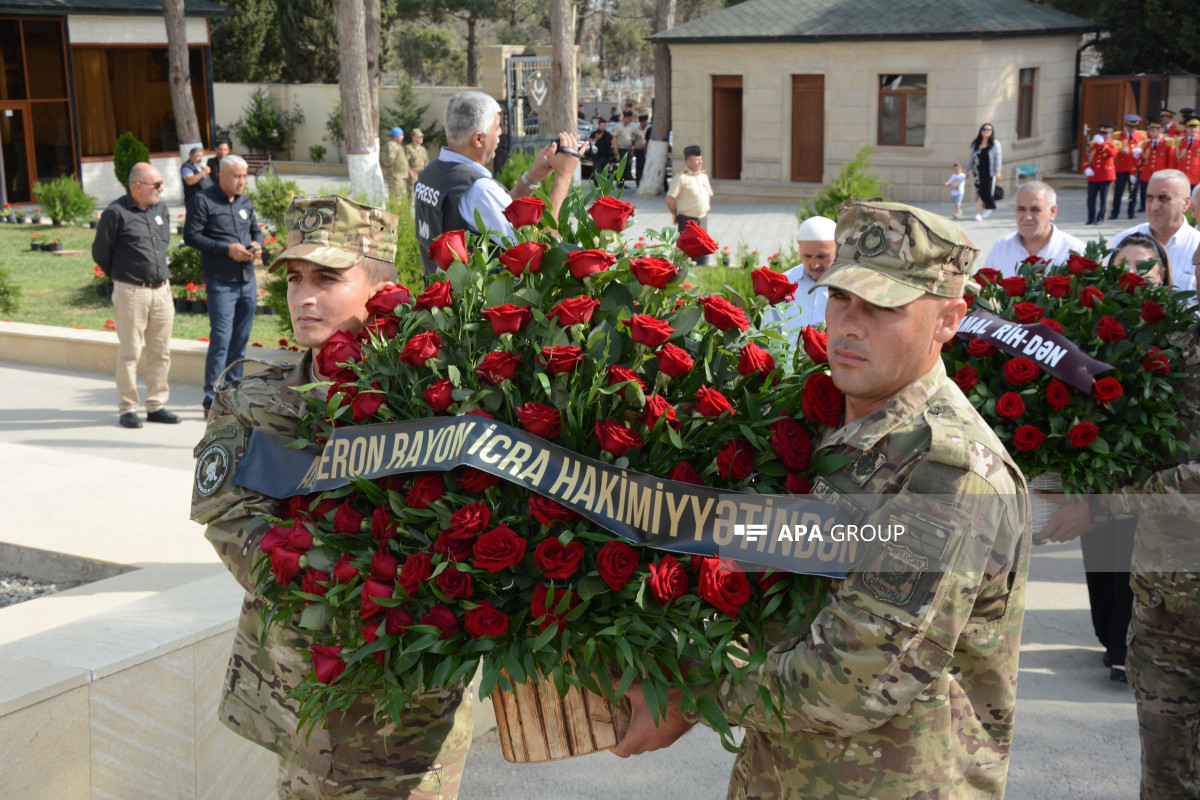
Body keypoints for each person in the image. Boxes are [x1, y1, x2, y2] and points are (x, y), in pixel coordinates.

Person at [612, 199, 1031, 800]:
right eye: (841, 297)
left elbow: (855, 681)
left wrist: (689, 696)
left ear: (948, 320)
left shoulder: (950, 473)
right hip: (781, 773)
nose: (850, 325)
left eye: (884, 306)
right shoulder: (827, 429)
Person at [191, 194, 473, 800]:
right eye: (294, 278)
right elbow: (225, 514)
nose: (303, 296)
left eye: (326, 277)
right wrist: (349, 585)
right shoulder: (253, 394)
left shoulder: (441, 397)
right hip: (302, 688)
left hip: (411, 699)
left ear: (380, 287)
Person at [1037, 255, 1200, 798]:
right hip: (1164, 606)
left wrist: (1102, 506)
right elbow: (1129, 435)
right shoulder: (1172, 349)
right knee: (1165, 773)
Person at [413, 90, 579, 276]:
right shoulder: (478, 189)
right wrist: (564, 177)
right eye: (497, 126)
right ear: (478, 139)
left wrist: (531, 178)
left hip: (443, 297)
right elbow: (540, 252)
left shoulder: (430, 173)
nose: (500, 132)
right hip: (478, 303)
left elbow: (498, 214)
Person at [92, 162, 180, 429]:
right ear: (136, 186)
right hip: (131, 292)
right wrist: (124, 276)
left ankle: (156, 405)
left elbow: (163, 241)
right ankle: (128, 407)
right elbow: (101, 254)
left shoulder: (160, 209)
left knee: (161, 351)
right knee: (130, 352)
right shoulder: (115, 213)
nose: (161, 190)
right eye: (156, 185)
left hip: (162, 291)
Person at [184, 154, 264, 415]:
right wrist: (226, 248)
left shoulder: (244, 202)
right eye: (238, 176)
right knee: (221, 340)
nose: (242, 181)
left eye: (245, 176)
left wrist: (257, 244)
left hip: (246, 281)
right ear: (222, 175)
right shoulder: (203, 200)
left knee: (240, 342)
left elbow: (256, 229)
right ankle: (211, 400)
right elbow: (191, 236)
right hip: (221, 282)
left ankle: (234, 396)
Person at [1114, 168, 1200, 298]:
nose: (1154, 206)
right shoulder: (1124, 240)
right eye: (1149, 198)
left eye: (1164, 198)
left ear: (1186, 203)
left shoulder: (1196, 245)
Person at [979, 181, 1085, 277]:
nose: (1027, 217)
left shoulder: (1075, 251)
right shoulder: (1001, 247)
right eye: (1021, 209)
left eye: (1035, 209)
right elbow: (985, 291)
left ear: (1052, 212)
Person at [762, 215, 835, 340]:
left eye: (822, 257)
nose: (815, 264)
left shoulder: (853, 285)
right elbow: (767, 335)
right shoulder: (783, 284)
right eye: (807, 256)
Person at [666, 145, 714, 265]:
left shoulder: (703, 175)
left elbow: (709, 194)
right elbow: (670, 198)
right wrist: (674, 214)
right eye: (697, 160)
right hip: (687, 219)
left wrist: (704, 208)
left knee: (702, 247)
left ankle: (702, 267)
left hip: (702, 218)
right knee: (686, 249)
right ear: (688, 161)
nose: (700, 162)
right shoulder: (681, 177)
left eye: (701, 159)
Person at [1112, 114, 1147, 220]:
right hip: (1121, 167)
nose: (1132, 129)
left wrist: (1141, 153)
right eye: (1130, 127)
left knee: (1133, 191)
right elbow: (1112, 149)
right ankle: (1115, 213)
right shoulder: (1117, 136)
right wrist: (1120, 151)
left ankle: (1131, 213)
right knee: (1119, 191)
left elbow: (1146, 148)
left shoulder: (1141, 136)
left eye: (1134, 127)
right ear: (1126, 126)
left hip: (1135, 168)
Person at [1135, 120, 1175, 214]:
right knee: (1145, 190)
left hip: (1160, 172)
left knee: (1160, 192)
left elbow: (1170, 160)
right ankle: (1144, 205)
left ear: (1159, 131)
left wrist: (1169, 174)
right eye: (1150, 130)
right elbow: (1143, 157)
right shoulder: (1147, 143)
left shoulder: (1166, 143)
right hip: (1147, 172)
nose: (1150, 133)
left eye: (1153, 130)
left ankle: (1159, 206)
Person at [1084, 124, 1119, 224]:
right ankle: (1090, 218)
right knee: (1091, 199)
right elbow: (1087, 157)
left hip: (1106, 175)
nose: (1103, 136)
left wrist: (1102, 144)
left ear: (1111, 134)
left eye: (1106, 134)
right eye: (1101, 133)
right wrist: (1087, 168)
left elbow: (1111, 153)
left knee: (1104, 199)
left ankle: (1100, 218)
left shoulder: (1115, 144)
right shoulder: (1094, 144)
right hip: (1094, 176)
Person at [968, 122, 1002, 220]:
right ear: (981, 131)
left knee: (985, 191)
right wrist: (967, 170)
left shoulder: (995, 144)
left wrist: (997, 171)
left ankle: (988, 208)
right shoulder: (976, 143)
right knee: (980, 192)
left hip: (989, 171)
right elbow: (971, 157)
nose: (986, 131)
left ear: (992, 132)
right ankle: (981, 211)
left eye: (989, 130)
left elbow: (998, 158)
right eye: (984, 129)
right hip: (977, 171)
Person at [381, 126, 410, 201]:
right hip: (395, 176)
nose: (403, 137)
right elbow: (391, 158)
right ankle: (395, 212)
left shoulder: (396, 145)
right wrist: (386, 164)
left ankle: (398, 211)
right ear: (396, 136)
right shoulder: (393, 145)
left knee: (399, 195)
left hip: (398, 176)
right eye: (401, 135)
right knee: (396, 197)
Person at [1176, 117, 1200, 189]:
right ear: (1185, 128)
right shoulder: (1179, 140)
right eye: (1190, 127)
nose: (1193, 130)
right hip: (1181, 177)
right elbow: (1174, 160)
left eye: (1195, 127)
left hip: (1196, 178)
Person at [405, 128, 429, 195]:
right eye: (419, 137)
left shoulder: (423, 149)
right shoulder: (408, 148)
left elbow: (426, 162)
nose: (421, 138)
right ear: (413, 137)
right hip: (413, 175)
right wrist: (410, 171)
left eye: (422, 137)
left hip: (422, 175)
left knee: (422, 195)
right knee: (412, 196)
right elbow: (405, 162)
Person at [612, 110, 634, 180]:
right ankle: (620, 182)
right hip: (621, 149)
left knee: (627, 166)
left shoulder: (628, 127)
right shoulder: (618, 126)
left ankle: (623, 181)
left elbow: (629, 139)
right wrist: (617, 153)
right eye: (629, 118)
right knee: (621, 167)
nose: (630, 120)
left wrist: (631, 150)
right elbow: (614, 139)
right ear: (625, 118)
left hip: (627, 149)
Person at [632, 114, 649, 186]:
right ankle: (638, 182)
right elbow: (632, 141)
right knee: (639, 167)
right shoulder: (636, 130)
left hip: (647, 151)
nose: (646, 123)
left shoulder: (648, 130)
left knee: (646, 167)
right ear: (641, 122)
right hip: (639, 151)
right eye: (644, 121)